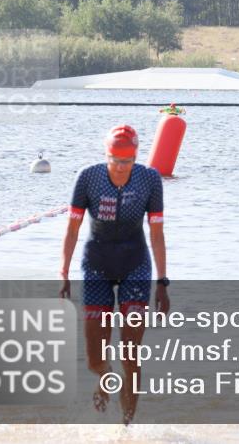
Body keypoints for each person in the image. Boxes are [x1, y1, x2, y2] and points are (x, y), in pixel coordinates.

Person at [59, 125, 168, 425]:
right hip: (97, 266)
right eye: (114, 161)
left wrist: (162, 281)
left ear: (135, 157)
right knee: (96, 358)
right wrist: (63, 272)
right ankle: (104, 376)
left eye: (127, 162)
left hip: (136, 266)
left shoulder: (149, 179)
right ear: (105, 155)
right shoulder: (88, 177)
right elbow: (72, 229)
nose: (120, 168)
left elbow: (157, 233)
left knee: (131, 356)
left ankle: (126, 428)